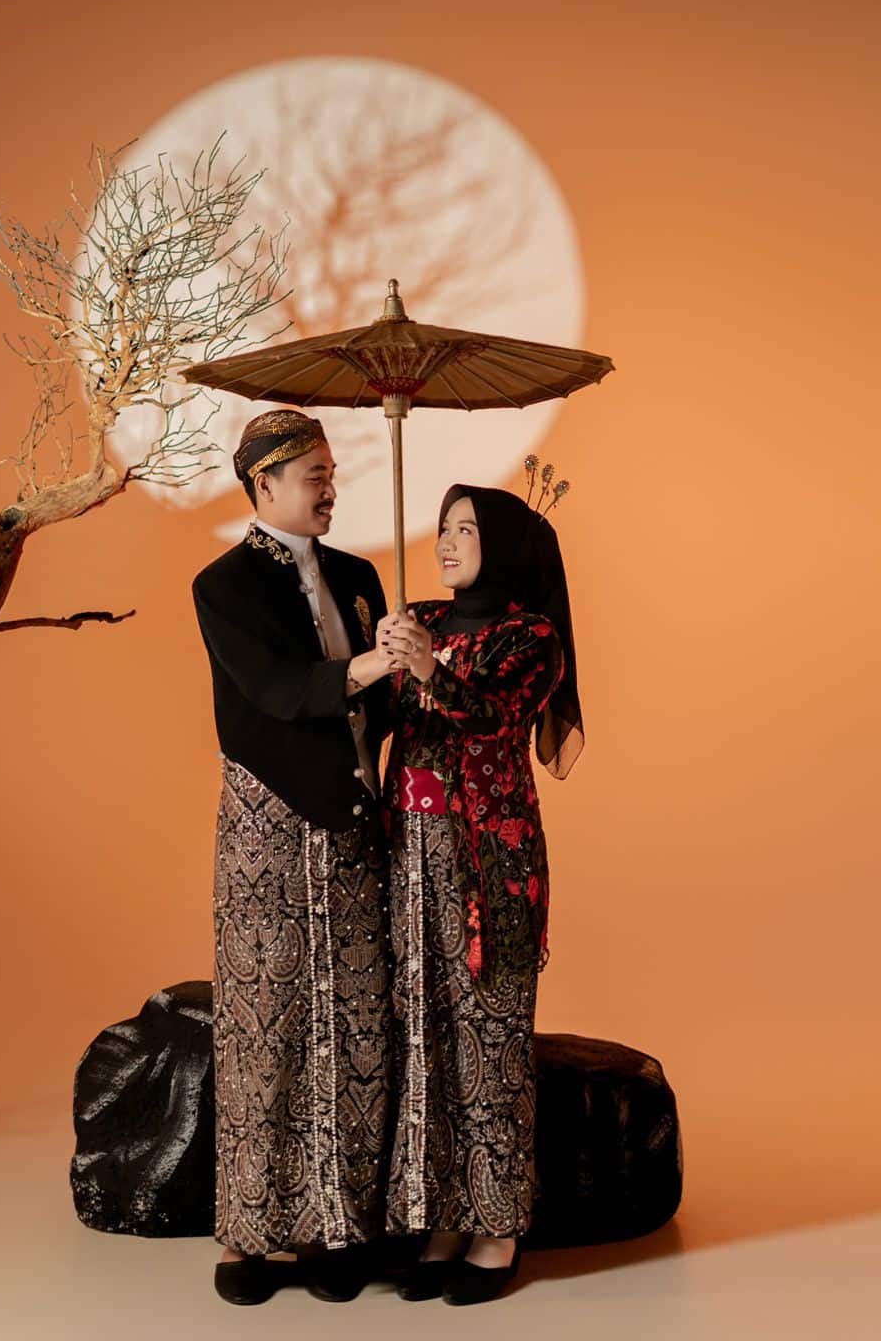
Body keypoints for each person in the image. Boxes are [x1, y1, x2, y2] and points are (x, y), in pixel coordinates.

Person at [192, 409, 402, 1306]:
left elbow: (379, 713)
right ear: (264, 485)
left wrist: (405, 663)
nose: (329, 489)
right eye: (314, 475)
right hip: (268, 824)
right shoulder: (224, 586)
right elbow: (277, 691)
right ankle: (248, 1235)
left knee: (354, 1020)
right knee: (264, 1021)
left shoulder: (359, 578)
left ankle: (337, 1229)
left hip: (354, 818)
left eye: (330, 473)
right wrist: (367, 669)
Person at [377, 480, 584, 1306]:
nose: (446, 541)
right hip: (409, 854)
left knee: (488, 1039)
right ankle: (439, 1219)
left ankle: (497, 1227)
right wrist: (384, 655)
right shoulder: (421, 618)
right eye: (443, 527)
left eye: (466, 529)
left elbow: (492, 717)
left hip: (486, 864)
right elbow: (388, 715)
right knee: (423, 1034)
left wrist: (426, 666)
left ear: (504, 543)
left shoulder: (531, 637)